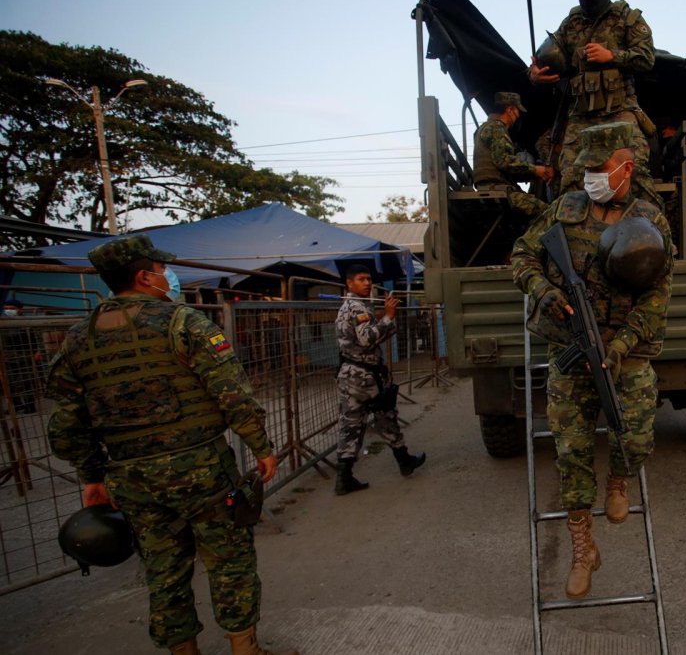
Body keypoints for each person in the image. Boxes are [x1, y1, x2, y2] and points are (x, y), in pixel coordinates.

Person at [45, 235, 296, 655]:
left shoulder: (77, 338)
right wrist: (261, 447)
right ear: (145, 276)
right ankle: (245, 650)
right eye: (161, 270)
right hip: (201, 471)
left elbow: (69, 425)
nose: (166, 275)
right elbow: (231, 393)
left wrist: (91, 477)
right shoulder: (184, 322)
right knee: (229, 561)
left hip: (131, 477)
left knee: (163, 569)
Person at [511, 122, 672, 599]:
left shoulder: (650, 221)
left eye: (599, 171)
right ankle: (584, 549)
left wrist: (619, 348)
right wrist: (541, 289)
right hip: (568, 348)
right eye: (584, 170)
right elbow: (522, 255)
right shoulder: (565, 211)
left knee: (638, 436)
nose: (589, 179)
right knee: (570, 453)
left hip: (627, 353)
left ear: (626, 167)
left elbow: (658, 298)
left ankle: (619, 482)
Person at [528, 0, 657, 199]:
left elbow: (647, 58)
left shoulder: (627, 17)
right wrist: (534, 74)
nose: (588, 2)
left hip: (620, 109)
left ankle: (645, 230)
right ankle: (574, 230)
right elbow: (550, 56)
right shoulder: (571, 22)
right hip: (581, 114)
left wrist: (612, 56)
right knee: (569, 176)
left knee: (636, 173)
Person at [333, 264, 425, 495]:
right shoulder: (357, 307)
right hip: (364, 376)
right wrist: (389, 317)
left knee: (351, 424)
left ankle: (344, 478)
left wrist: (385, 320)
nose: (367, 283)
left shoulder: (351, 306)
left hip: (352, 374)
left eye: (369, 279)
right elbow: (368, 339)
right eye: (361, 279)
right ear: (349, 283)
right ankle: (404, 460)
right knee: (385, 415)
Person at [473, 91, 554, 216]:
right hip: (496, 188)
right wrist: (535, 170)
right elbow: (503, 161)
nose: (517, 116)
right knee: (548, 213)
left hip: (495, 186)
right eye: (517, 111)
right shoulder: (496, 128)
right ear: (510, 110)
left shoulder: (488, 127)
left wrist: (533, 174)